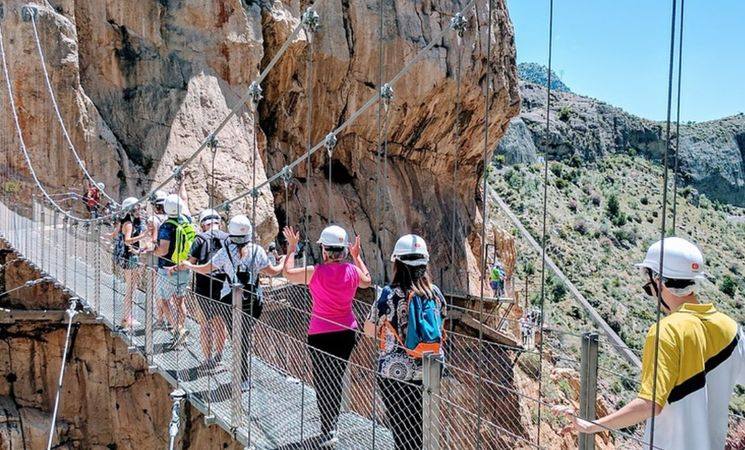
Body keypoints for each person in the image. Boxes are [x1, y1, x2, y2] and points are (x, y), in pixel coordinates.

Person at [556, 237, 745, 450]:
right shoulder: (731, 329)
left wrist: (591, 425)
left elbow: (649, 405)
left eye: (648, 280)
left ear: (658, 280)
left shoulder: (666, 331)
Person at [282, 225, 372, 447]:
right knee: (336, 377)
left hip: (320, 333)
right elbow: (367, 281)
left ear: (324, 251)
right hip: (347, 332)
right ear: (343, 251)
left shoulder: (315, 272)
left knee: (323, 381)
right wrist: (357, 257)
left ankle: (328, 427)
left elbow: (287, 274)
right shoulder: (352, 271)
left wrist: (292, 248)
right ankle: (333, 423)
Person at [363, 234, 446, 450]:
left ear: (397, 263)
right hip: (429, 369)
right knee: (424, 429)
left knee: (403, 432)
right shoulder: (435, 294)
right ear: (424, 263)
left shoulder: (388, 295)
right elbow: (441, 324)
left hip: (396, 372)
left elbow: (369, 330)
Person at [179, 215, 282, 387]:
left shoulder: (225, 251)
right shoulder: (257, 251)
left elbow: (205, 269)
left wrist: (189, 266)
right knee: (243, 336)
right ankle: (243, 376)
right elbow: (272, 272)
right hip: (254, 301)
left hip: (230, 300)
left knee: (238, 338)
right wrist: (286, 259)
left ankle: (241, 377)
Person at [187, 209, 230, 368]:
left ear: (203, 225)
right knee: (220, 323)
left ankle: (207, 359)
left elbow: (191, 261)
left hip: (204, 285)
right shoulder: (228, 238)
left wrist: (181, 265)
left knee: (205, 324)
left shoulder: (200, 239)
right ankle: (219, 356)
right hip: (224, 285)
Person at [153, 194, 195, 345]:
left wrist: (153, 250)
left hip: (167, 269)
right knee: (180, 301)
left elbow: (163, 250)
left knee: (164, 301)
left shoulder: (166, 226)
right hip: (184, 267)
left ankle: (178, 330)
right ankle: (181, 330)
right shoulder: (187, 221)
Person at [113, 197, 149, 329]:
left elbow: (115, 234)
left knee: (132, 287)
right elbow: (128, 240)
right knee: (131, 288)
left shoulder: (124, 221)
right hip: (129, 258)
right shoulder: (128, 223)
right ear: (130, 210)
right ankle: (126, 318)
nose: (139, 210)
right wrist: (142, 236)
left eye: (139, 208)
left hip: (128, 256)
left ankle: (127, 317)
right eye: (136, 208)